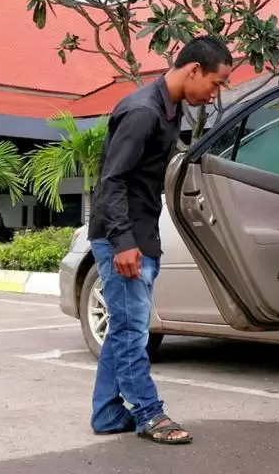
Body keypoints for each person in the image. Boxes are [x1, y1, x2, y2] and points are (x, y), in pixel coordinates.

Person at [87, 35, 233, 445]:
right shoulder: (142, 112)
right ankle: (149, 412)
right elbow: (112, 181)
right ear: (193, 71)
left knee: (124, 329)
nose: (215, 93)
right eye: (216, 83)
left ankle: (107, 413)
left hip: (140, 234)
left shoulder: (170, 111)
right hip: (124, 237)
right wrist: (123, 243)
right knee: (134, 330)